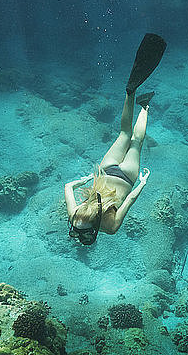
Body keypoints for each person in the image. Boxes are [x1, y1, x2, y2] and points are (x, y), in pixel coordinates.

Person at [64, 34, 166, 245]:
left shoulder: (109, 228)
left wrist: (143, 183)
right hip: (106, 169)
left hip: (127, 177)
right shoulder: (74, 215)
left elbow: (128, 200)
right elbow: (67, 187)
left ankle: (145, 106)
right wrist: (83, 181)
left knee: (136, 141)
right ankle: (130, 93)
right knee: (124, 134)